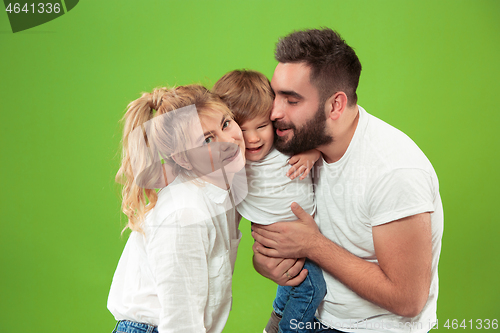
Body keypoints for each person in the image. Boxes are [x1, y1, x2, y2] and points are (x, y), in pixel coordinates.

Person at [251, 28, 444, 333]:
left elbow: (408, 300)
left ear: (335, 106)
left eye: (291, 100)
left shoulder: (394, 171)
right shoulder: (298, 143)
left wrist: (312, 245)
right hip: (308, 312)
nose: (273, 112)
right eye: (276, 95)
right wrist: (267, 263)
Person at [107, 85, 247, 333]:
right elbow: (181, 326)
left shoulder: (223, 184)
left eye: (226, 124)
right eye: (207, 140)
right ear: (183, 159)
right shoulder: (185, 214)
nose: (228, 142)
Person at [213, 70, 326, 333]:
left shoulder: (285, 144)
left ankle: (274, 327)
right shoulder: (233, 163)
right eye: (241, 129)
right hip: (273, 243)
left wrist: (312, 153)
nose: (252, 138)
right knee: (311, 288)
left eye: (261, 126)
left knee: (294, 288)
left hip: (306, 235)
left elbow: (324, 140)